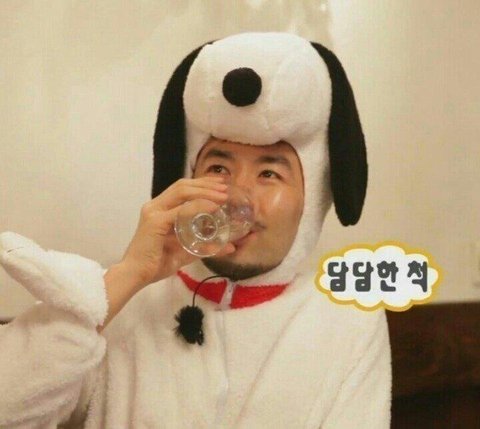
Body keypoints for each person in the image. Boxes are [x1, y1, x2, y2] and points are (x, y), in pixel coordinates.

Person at [0, 32, 391, 428]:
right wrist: (127, 277)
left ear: (313, 197)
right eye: (218, 168)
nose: (237, 195)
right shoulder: (123, 301)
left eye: (269, 173)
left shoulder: (346, 322)